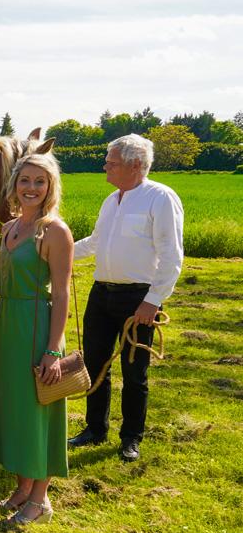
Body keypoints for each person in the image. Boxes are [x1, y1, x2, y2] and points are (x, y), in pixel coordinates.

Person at [67, 135, 184, 462]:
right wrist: (57, 253)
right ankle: (94, 429)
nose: (105, 165)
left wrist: (153, 300)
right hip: (101, 294)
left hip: (138, 299)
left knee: (134, 372)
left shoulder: (160, 198)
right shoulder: (111, 200)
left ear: (135, 165)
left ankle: (131, 437)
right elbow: (95, 241)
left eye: (112, 161)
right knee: (94, 364)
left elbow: (172, 255)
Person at [0, 155, 74, 524]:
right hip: (8, 324)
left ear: (50, 187)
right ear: (14, 185)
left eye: (40, 181)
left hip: (38, 326)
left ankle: (40, 499)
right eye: (25, 181)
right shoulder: (10, 228)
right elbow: (2, 283)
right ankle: (21, 488)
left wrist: (53, 350)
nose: (31, 188)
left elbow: (62, 293)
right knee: (13, 406)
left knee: (38, 409)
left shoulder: (54, 231)